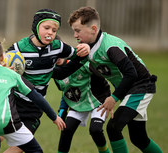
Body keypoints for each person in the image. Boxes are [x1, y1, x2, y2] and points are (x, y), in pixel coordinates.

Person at [0, 8, 90, 153]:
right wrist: (5, 70)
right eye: (46, 28)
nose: (50, 32)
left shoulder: (58, 47)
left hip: (35, 107)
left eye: (54, 30)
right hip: (14, 102)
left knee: (20, 148)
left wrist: (85, 48)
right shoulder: (19, 48)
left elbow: (77, 55)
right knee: (1, 137)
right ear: (36, 26)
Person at [68, 6, 163, 153]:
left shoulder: (110, 46)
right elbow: (66, 70)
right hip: (129, 90)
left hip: (141, 86)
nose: (75, 35)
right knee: (139, 138)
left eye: (77, 30)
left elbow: (131, 74)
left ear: (93, 29)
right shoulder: (88, 48)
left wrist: (113, 97)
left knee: (113, 127)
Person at [54, 59, 111, 153]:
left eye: (60, 54)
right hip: (78, 103)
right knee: (66, 130)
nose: (58, 57)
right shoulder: (55, 72)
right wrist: (63, 108)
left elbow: (106, 77)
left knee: (95, 130)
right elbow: (66, 89)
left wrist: (113, 97)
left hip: (98, 99)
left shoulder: (80, 62)